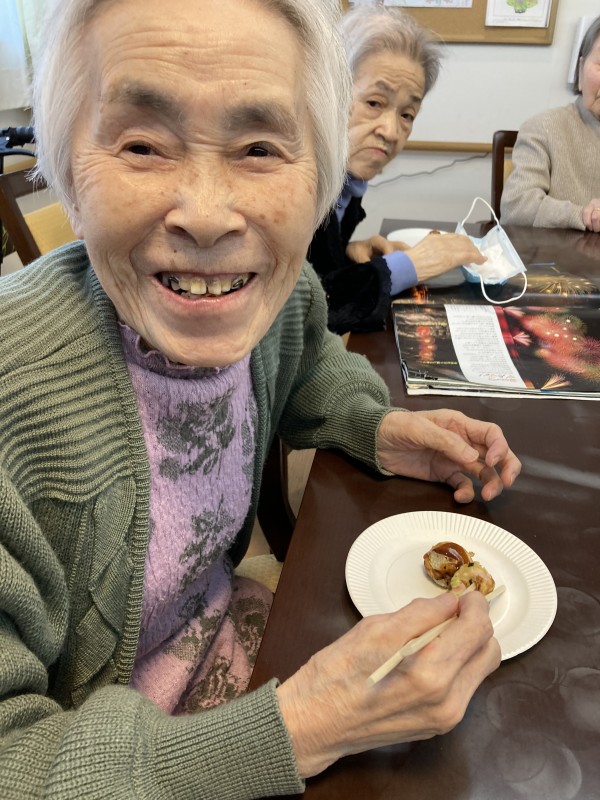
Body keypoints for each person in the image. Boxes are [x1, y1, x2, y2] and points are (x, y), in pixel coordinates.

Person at [0, 0, 521, 797]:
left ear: (318, 173)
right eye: (142, 145)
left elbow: (309, 360)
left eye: (259, 148)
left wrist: (376, 426)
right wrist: (302, 727)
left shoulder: (276, 294)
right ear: (68, 170)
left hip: (233, 633)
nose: (207, 217)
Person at [307, 5, 486, 334]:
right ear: (327, 91)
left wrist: (347, 253)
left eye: (407, 115)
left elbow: (311, 273)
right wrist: (410, 266)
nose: (390, 132)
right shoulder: (294, 179)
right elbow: (299, 312)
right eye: (374, 103)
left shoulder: (346, 182)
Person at [501, 15, 600, 231]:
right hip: (558, 252)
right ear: (581, 70)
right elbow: (516, 207)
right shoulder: (543, 128)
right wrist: (583, 215)